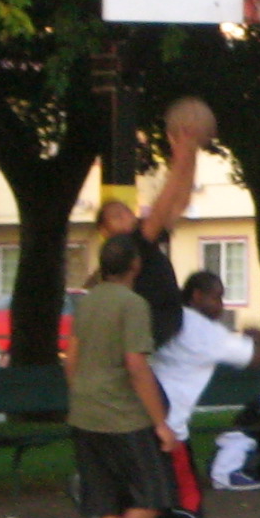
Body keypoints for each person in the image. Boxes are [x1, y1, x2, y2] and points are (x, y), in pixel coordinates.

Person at [66, 233, 181, 518]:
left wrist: (83, 394)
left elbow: (72, 360)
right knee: (154, 493)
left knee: (110, 503)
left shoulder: (88, 302)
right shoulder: (133, 305)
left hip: (85, 413)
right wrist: (160, 422)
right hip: (122, 415)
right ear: (136, 266)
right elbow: (137, 366)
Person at [147, 269, 260, 518]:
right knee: (189, 499)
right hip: (171, 428)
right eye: (216, 296)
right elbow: (255, 358)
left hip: (140, 418)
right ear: (197, 296)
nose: (221, 305)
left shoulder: (167, 321)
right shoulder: (204, 331)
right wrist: (257, 337)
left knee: (134, 498)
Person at [89, 114, 204, 349]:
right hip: (152, 326)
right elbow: (162, 207)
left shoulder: (141, 239)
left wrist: (191, 155)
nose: (126, 215)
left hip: (164, 324)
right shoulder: (129, 243)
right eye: (116, 215)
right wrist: (181, 157)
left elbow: (180, 202)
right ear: (104, 230)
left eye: (126, 211)